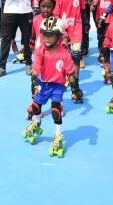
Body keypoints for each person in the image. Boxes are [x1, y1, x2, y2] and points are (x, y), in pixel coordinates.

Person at [22, 16, 76, 158]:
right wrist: (34, 82)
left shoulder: (65, 54)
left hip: (57, 86)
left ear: (58, 36)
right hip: (42, 84)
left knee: (55, 110)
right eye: (44, 34)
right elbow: (36, 68)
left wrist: (75, 89)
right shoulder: (40, 50)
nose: (46, 37)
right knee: (35, 108)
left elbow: (70, 73)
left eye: (50, 35)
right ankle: (36, 123)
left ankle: (58, 135)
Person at [54, 0, 86, 103]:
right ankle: (64, 80)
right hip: (62, 30)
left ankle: (75, 86)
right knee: (63, 58)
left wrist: (86, 23)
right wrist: (62, 33)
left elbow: (83, 10)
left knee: (76, 57)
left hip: (77, 28)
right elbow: (56, 15)